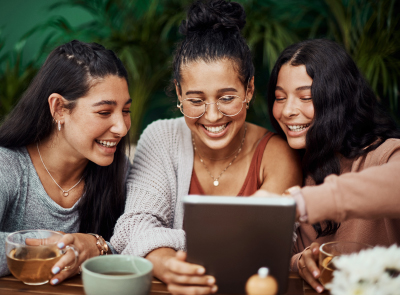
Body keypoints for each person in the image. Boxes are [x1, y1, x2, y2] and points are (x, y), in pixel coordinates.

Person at [110, 0, 302, 294]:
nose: (212, 116)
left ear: (249, 89)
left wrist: (162, 243)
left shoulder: (276, 155)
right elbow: (132, 227)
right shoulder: (161, 137)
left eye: (227, 98)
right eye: (196, 101)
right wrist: (166, 266)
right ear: (178, 92)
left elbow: (263, 245)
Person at [265, 39, 400, 293]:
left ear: (339, 99)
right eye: (280, 97)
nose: (287, 111)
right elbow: (278, 257)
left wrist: (305, 202)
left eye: (305, 97)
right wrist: (300, 262)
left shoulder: (385, 154)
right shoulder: (295, 167)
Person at [0, 40, 131, 284]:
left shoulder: (120, 171)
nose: (121, 128)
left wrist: (95, 246)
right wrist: (60, 247)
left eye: (126, 110)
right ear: (59, 108)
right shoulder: (6, 166)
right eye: (104, 112)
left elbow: (142, 240)